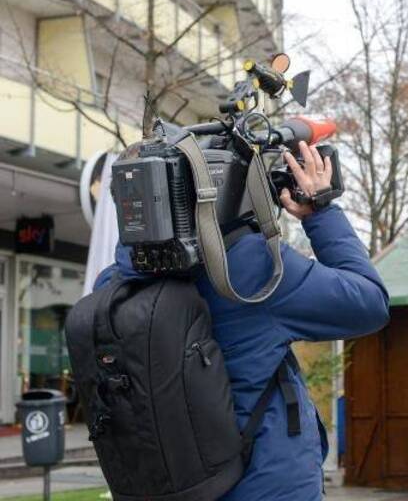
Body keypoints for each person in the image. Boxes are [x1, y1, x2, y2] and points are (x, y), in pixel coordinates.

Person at [95, 142, 390, 500]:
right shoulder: (251, 269)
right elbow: (369, 303)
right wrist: (321, 211)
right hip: (266, 487)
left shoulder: (111, 286)